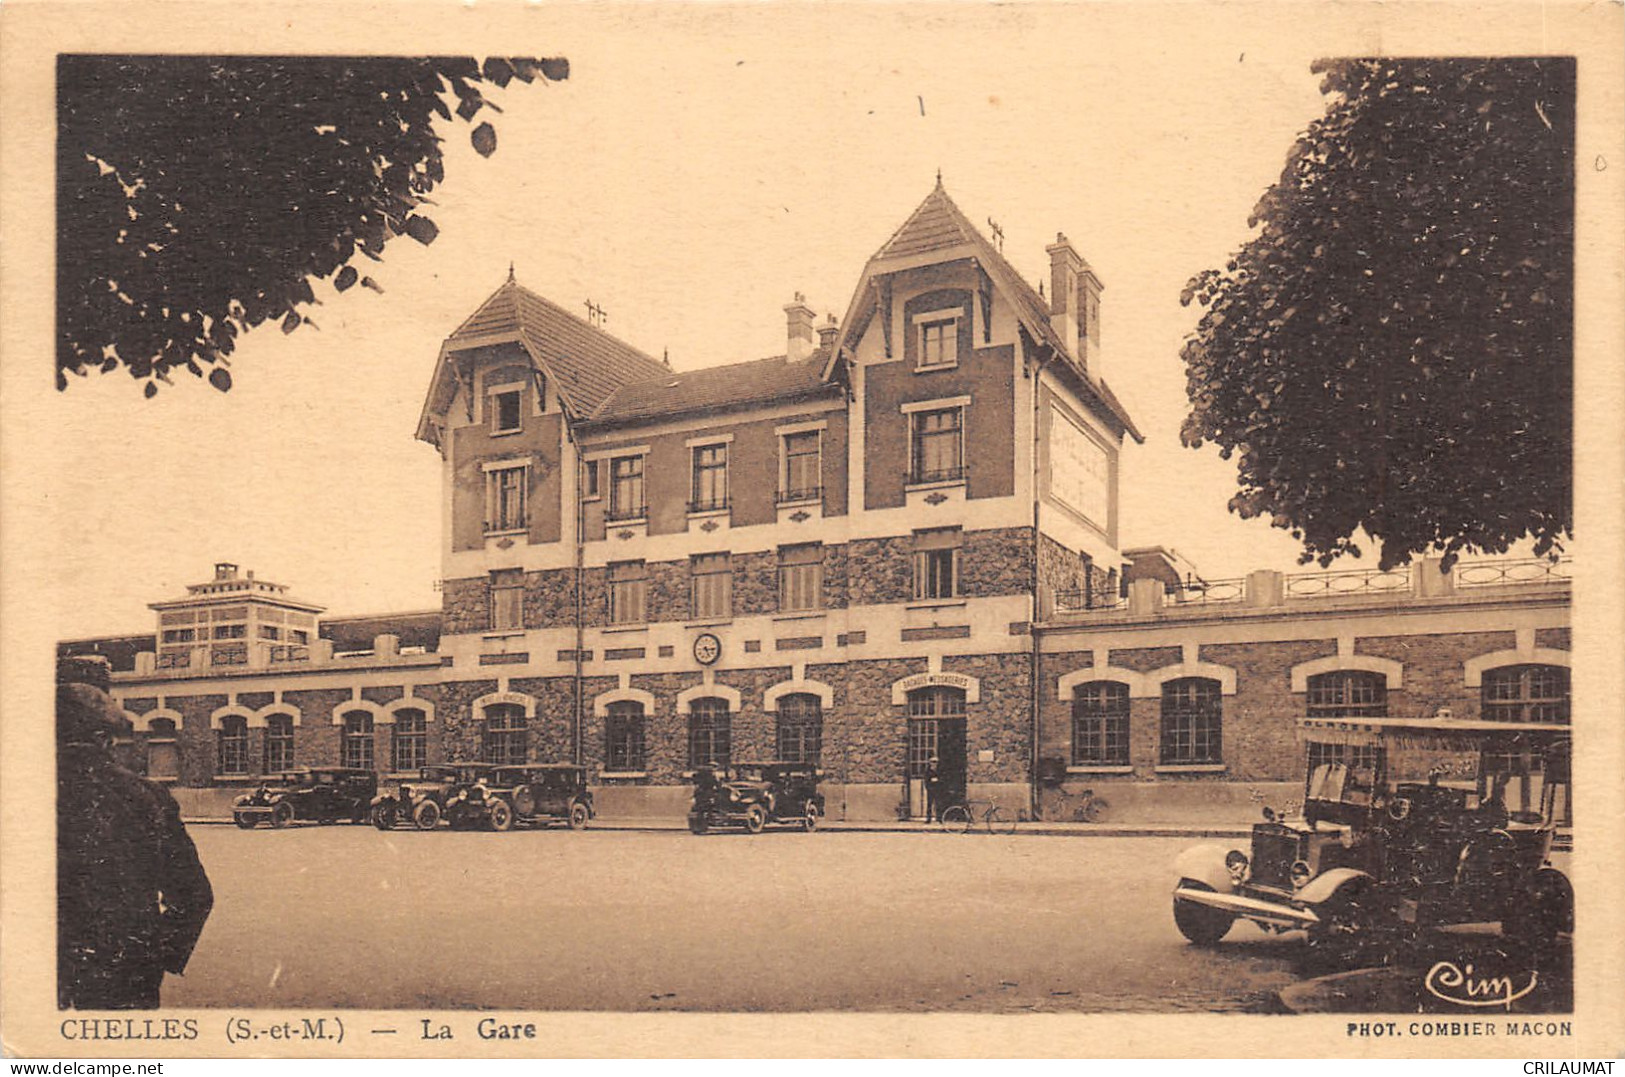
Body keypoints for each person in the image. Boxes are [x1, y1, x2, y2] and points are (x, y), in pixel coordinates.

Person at [57, 680, 213, 1009]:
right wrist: (153, 956)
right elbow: (194, 894)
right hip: (126, 972)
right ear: (106, 739)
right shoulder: (148, 797)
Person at [924, 755, 943, 822]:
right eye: (932, 762)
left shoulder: (939, 770)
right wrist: (928, 787)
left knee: (938, 803)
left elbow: (942, 778)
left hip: (937, 789)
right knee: (929, 804)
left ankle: (939, 818)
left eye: (935, 762)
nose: (934, 763)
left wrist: (938, 781)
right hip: (931, 789)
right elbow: (926, 780)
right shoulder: (928, 770)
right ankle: (928, 818)